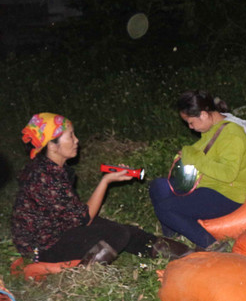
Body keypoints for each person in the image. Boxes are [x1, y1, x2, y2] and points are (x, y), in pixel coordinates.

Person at [12, 113, 191, 265]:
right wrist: (105, 181)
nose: (77, 141)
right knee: (116, 234)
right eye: (71, 136)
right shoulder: (45, 176)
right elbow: (84, 219)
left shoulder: (50, 168)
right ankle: (84, 276)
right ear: (52, 145)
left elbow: (71, 214)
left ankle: (187, 256)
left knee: (124, 229)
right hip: (42, 248)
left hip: (58, 231)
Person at [149, 91, 246, 249]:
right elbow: (200, 152)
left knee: (164, 208)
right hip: (204, 184)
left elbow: (228, 174)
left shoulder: (232, 135)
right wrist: (186, 155)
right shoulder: (212, 128)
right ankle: (175, 237)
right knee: (158, 186)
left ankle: (212, 244)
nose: (190, 127)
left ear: (203, 114)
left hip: (225, 194)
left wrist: (194, 158)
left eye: (190, 122)